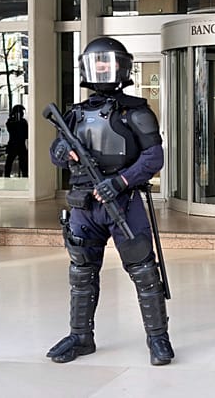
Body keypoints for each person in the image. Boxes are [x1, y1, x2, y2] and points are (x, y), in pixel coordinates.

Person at [46, 37, 174, 366]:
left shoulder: (136, 111)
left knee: (145, 271)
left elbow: (153, 156)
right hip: (84, 205)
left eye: (107, 62)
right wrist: (63, 151)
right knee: (81, 273)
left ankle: (158, 338)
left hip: (123, 201)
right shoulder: (73, 114)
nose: (101, 68)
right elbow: (56, 152)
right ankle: (80, 336)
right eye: (96, 63)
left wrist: (119, 182)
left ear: (121, 67)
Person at [4, 105, 28, 177]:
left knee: (23, 164)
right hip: (14, 145)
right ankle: (7, 176)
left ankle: (25, 176)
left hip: (20, 145)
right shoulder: (11, 122)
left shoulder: (23, 122)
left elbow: (26, 134)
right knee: (9, 163)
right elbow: (11, 130)